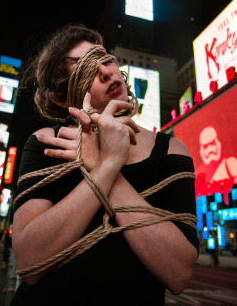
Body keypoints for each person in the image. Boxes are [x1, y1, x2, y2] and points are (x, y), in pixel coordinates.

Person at [11, 23, 199, 306]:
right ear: (64, 101)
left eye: (105, 58)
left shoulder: (171, 149)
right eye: (87, 70)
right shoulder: (47, 144)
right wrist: (107, 165)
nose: (106, 71)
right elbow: (28, 263)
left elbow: (179, 274)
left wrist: (104, 164)